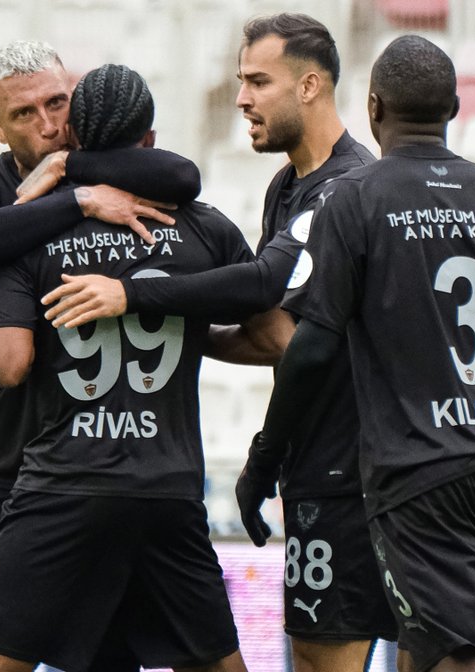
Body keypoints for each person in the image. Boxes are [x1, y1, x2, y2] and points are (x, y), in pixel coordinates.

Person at [34, 14, 397, 672]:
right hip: (315, 463)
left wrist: (133, 296)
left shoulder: (347, 187)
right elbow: (278, 336)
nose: (241, 99)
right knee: (311, 657)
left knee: (330, 660)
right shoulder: (289, 186)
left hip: (356, 467)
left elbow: (261, 282)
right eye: (239, 81)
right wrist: (175, 331)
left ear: (311, 85)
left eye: (258, 81)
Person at [239, 36, 475, 672]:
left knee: (459, 660)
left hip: (421, 469)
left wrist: (266, 455)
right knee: (432, 649)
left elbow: (313, 348)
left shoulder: (355, 199)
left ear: (373, 107)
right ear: (454, 108)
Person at [0, 40, 204, 672]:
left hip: (91, 469)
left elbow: (185, 177)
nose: (47, 125)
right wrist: (74, 201)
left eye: (56, 103)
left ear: (76, 94)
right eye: (24, 114)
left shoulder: (120, 171)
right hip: (10, 465)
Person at [0, 63, 252, 672]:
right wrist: (186, 323)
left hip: (61, 486)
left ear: (75, 139)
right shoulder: (202, 227)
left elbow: (10, 365)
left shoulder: (27, 236)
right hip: (166, 486)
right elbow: (274, 337)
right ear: (148, 139)